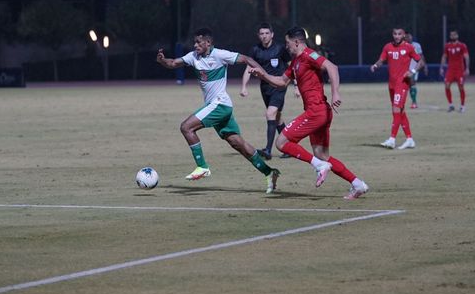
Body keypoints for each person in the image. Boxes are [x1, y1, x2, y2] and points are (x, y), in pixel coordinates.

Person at [248, 26, 369, 200]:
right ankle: (358, 184)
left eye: (288, 43)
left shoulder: (309, 55)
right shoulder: (296, 61)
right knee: (322, 155)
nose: (286, 46)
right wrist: (263, 75)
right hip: (319, 112)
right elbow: (282, 82)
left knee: (281, 142)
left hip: (316, 111)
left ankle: (319, 166)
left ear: (297, 42)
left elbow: (332, 67)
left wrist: (336, 92)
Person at [156, 27, 281, 194]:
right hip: (219, 107)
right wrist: (162, 61)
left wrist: (264, 75)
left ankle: (202, 166)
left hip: (219, 104)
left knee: (186, 127)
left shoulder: (220, 55)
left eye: (199, 42)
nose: (195, 45)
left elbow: (246, 58)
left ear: (208, 43)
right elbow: (173, 63)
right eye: (194, 42)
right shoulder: (193, 57)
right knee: (238, 144)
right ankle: (269, 172)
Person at [240, 22, 293, 160]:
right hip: (265, 87)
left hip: (279, 86)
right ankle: (290, 147)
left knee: (270, 114)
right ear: (258, 35)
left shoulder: (280, 48)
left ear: (272, 34)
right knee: (277, 118)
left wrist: (297, 86)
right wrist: (244, 87)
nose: (264, 36)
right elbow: (247, 69)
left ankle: (268, 150)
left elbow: (291, 66)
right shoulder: (255, 50)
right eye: (261, 34)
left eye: (267, 33)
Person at [371, 27, 422, 150]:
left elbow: (420, 61)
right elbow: (381, 60)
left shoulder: (409, 47)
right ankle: (409, 139)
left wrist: (412, 71)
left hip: (402, 84)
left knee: (396, 109)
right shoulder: (388, 47)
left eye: (399, 34)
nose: (397, 36)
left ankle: (392, 139)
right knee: (401, 111)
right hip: (392, 84)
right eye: (395, 34)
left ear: (403, 35)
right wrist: (375, 65)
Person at [439, 29, 470, 112]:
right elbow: (444, 56)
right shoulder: (447, 46)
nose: (452, 36)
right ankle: (451, 105)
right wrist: (441, 67)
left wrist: (467, 68)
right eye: (451, 35)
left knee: (460, 87)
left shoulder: (462, 45)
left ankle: (462, 106)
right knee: (447, 85)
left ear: (457, 36)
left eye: (454, 35)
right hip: (450, 70)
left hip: (460, 70)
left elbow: (466, 56)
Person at [404, 33, 427, 109]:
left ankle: (414, 102)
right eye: (407, 37)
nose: (409, 38)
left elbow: (421, 56)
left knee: (412, 82)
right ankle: (411, 101)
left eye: (409, 36)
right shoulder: (402, 45)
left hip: (414, 67)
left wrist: (425, 66)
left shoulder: (417, 45)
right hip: (404, 68)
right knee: (408, 85)